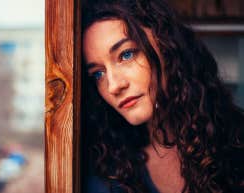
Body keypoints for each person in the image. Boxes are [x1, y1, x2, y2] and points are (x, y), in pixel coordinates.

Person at [81, 0, 244, 193]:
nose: (114, 86)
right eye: (98, 74)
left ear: (166, 46)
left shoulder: (236, 143)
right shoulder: (108, 173)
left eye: (126, 55)